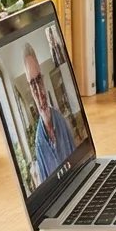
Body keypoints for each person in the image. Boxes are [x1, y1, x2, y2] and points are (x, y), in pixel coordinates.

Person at [24, 43, 76, 182]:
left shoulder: (61, 119)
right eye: (33, 83)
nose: (38, 90)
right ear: (30, 88)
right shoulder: (39, 143)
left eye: (39, 79)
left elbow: (76, 157)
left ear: (44, 80)